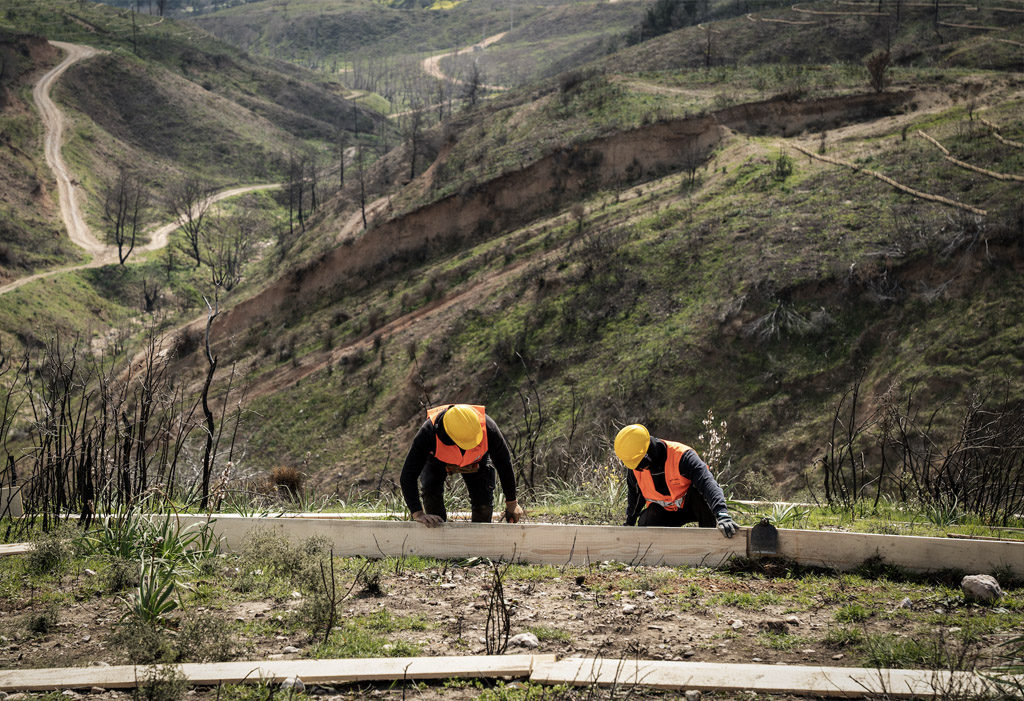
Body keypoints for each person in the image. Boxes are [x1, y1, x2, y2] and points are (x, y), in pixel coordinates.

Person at [400, 403, 525, 527]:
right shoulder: (428, 432)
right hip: (437, 459)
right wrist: (418, 513)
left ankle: (479, 536)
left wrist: (512, 503)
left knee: (483, 503)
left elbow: (504, 464)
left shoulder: (488, 428)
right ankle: (437, 534)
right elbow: (408, 475)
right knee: (430, 492)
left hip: (477, 460)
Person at [614, 423, 739, 537]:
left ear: (648, 454)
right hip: (663, 513)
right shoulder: (635, 469)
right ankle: (658, 550)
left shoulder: (683, 457)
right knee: (647, 519)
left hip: (691, 508)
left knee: (700, 497)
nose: (639, 469)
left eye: (641, 465)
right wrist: (629, 524)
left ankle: (709, 542)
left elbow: (708, 483)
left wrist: (722, 514)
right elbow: (635, 496)